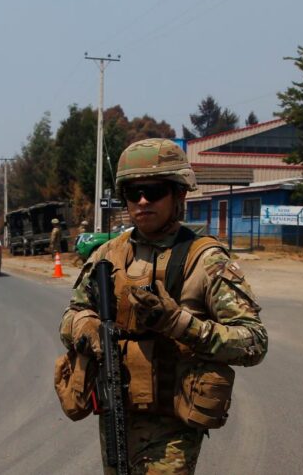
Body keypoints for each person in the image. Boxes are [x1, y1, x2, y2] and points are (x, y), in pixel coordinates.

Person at [58, 138, 268, 474]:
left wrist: (181, 324)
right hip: (116, 414)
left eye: (154, 191)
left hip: (173, 426)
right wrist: (85, 326)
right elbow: (70, 316)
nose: (142, 201)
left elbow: (254, 342)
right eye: (133, 193)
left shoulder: (206, 261)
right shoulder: (106, 256)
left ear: (179, 194)